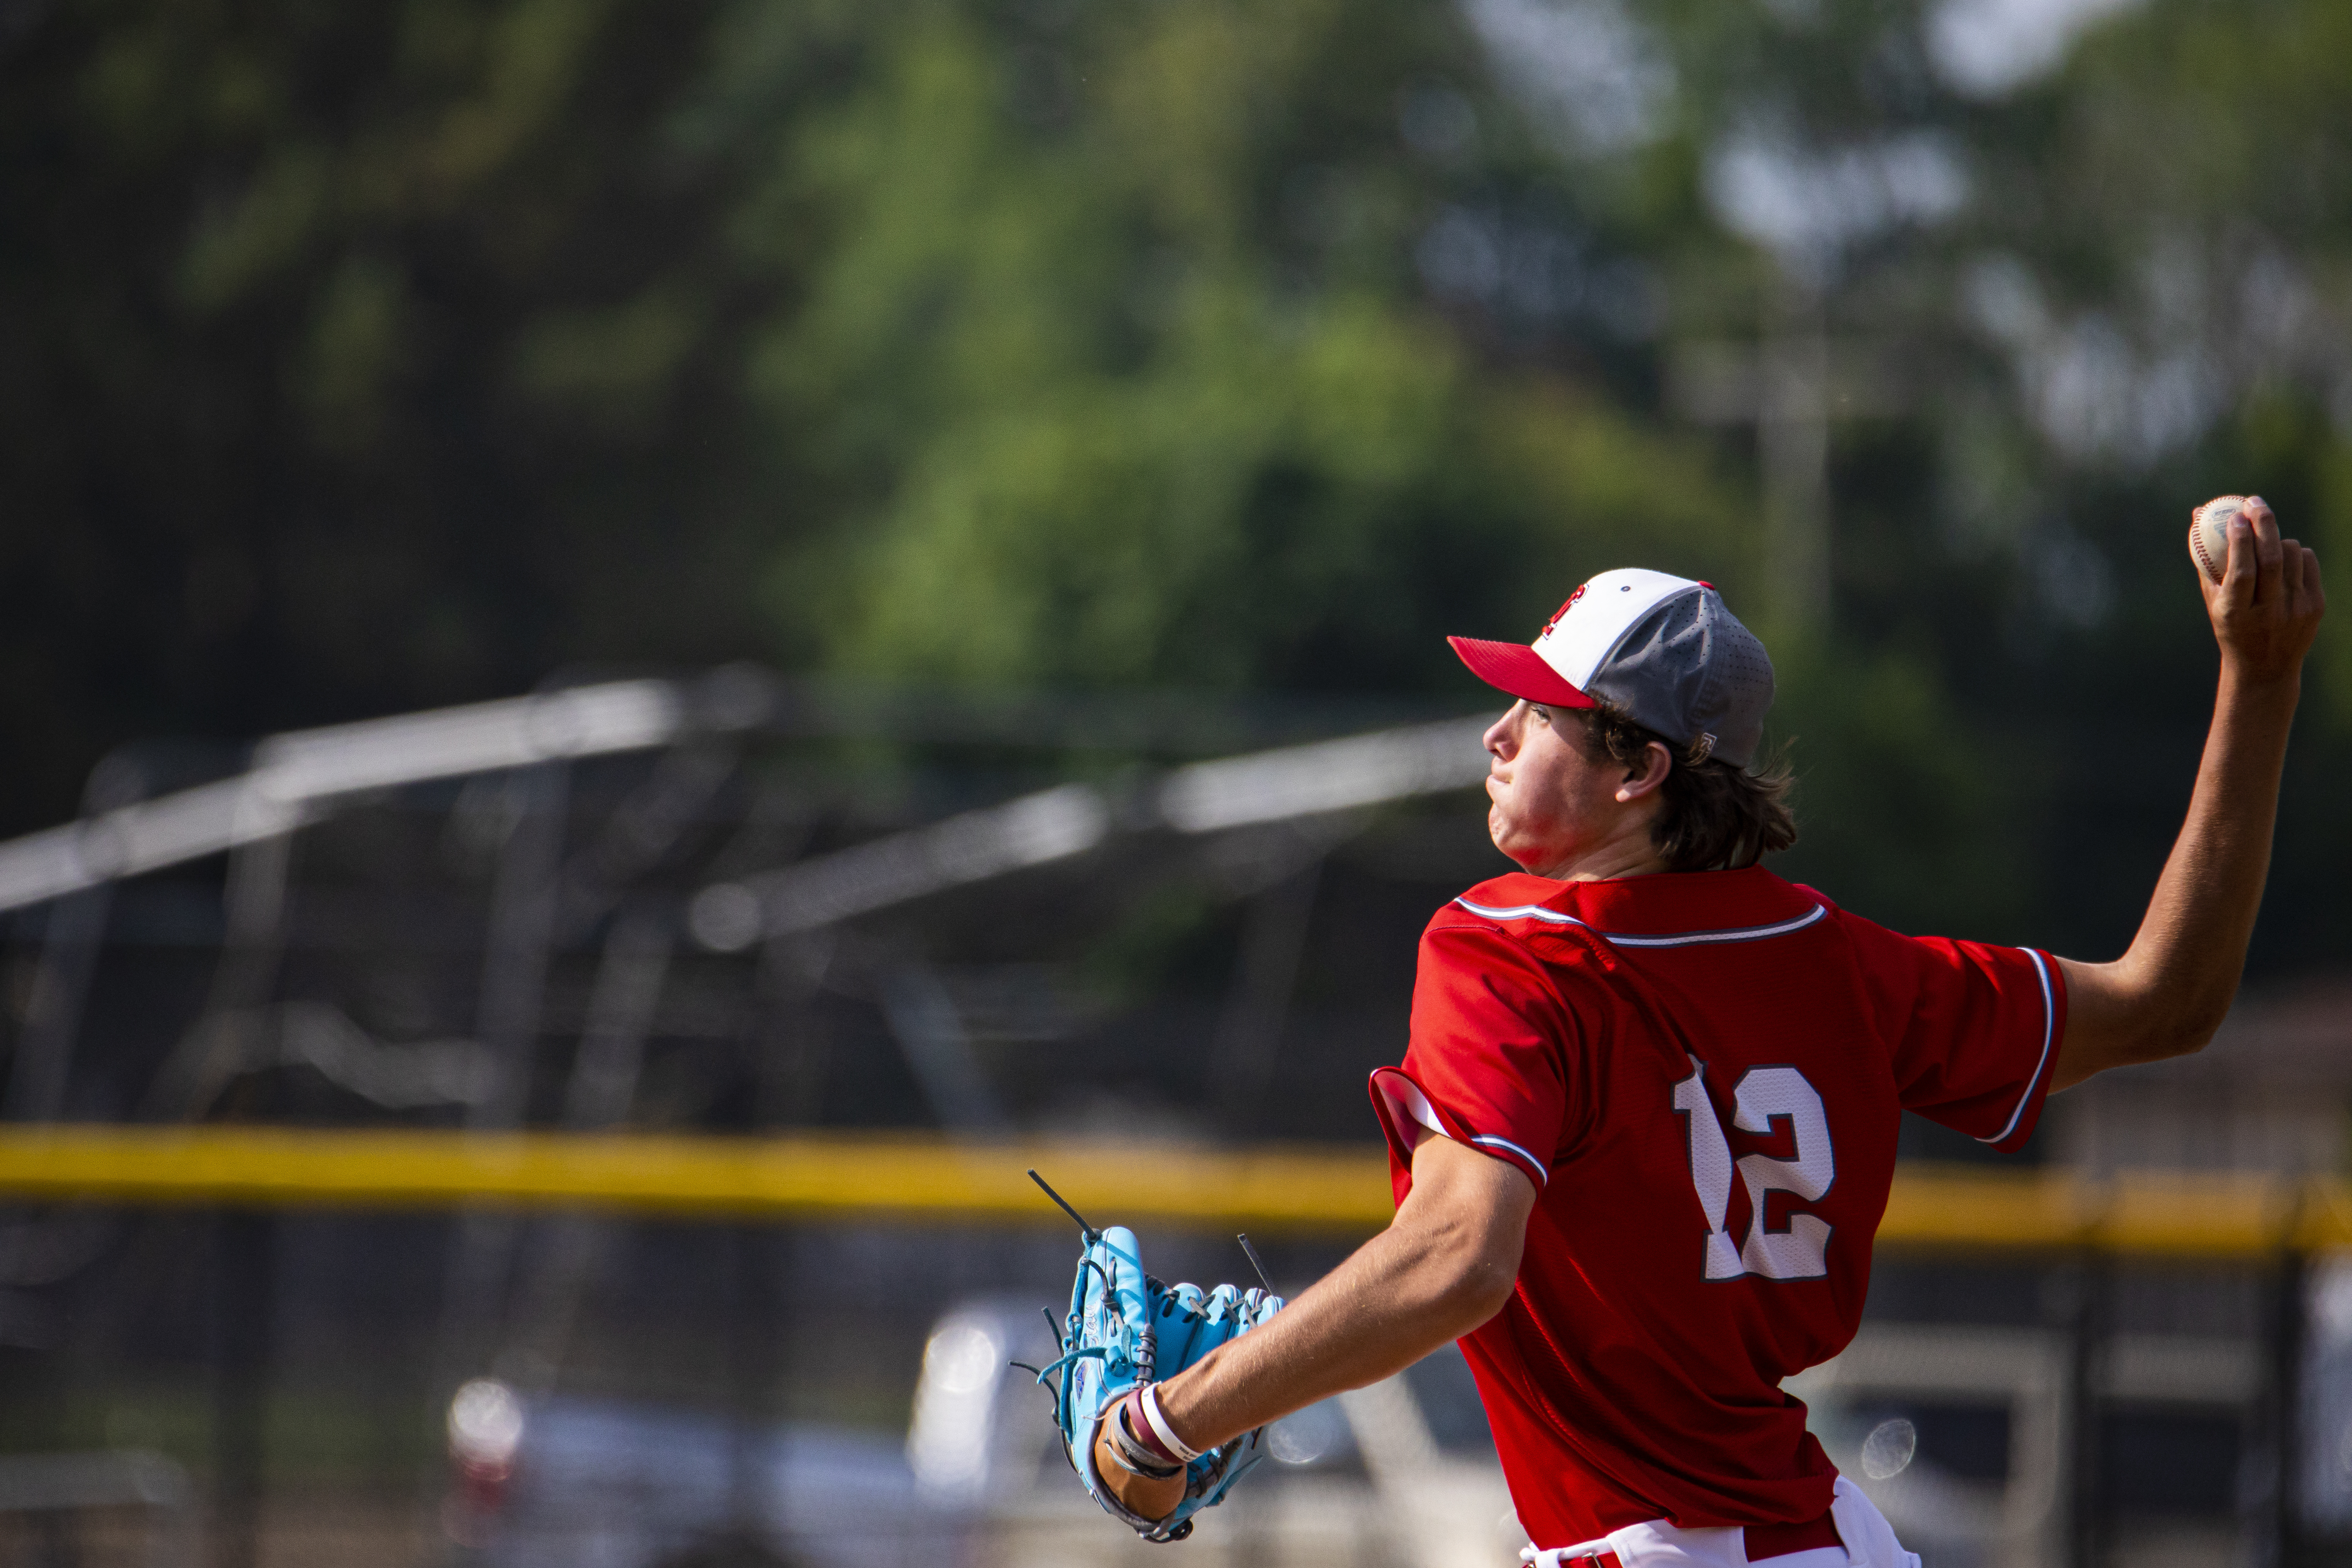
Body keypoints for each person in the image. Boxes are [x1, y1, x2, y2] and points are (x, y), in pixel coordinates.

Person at [1086, 501, 2325, 1567]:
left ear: (1637, 766)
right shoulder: (1838, 960)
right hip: (1830, 1538)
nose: (1496, 733)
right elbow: (2169, 1001)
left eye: (1541, 710)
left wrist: (1164, 1422)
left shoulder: (1508, 948)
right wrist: (2259, 683)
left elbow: (1456, 1259)